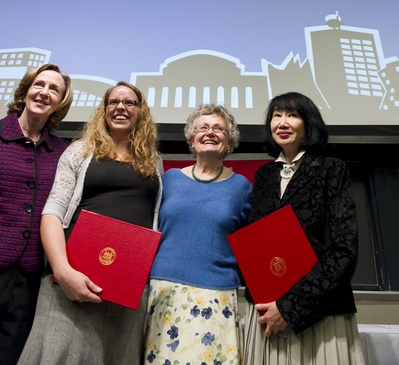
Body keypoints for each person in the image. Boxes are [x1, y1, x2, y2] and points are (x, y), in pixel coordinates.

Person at [17, 81, 163, 365]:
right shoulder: (79, 151)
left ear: (140, 112)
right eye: (114, 102)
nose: (121, 107)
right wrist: (62, 271)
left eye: (129, 102)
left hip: (126, 290)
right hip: (70, 285)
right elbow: (52, 214)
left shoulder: (154, 161)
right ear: (104, 110)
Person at [244, 92, 365, 365]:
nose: (282, 123)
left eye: (292, 115)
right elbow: (257, 245)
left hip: (320, 313)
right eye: (277, 116)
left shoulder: (331, 169)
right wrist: (271, 306)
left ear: (309, 124)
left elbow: (342, 252)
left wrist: (289, 309)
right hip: (267, 311)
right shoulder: (264, 176)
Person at [144, 104, 252, 365]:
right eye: (202, 127)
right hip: (164, 291)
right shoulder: (167, 179)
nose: (210, 132)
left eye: (218, 128)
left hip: (217, 294)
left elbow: (250, 246)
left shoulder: (242, 187)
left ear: (230, 141)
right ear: (192, 139)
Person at [0, 63, 73, 365]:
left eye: (53, 89)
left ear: (60, 102)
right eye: (39, 85)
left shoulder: (62, 152)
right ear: (26, 90)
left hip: (28, 277)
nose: (44, 92)